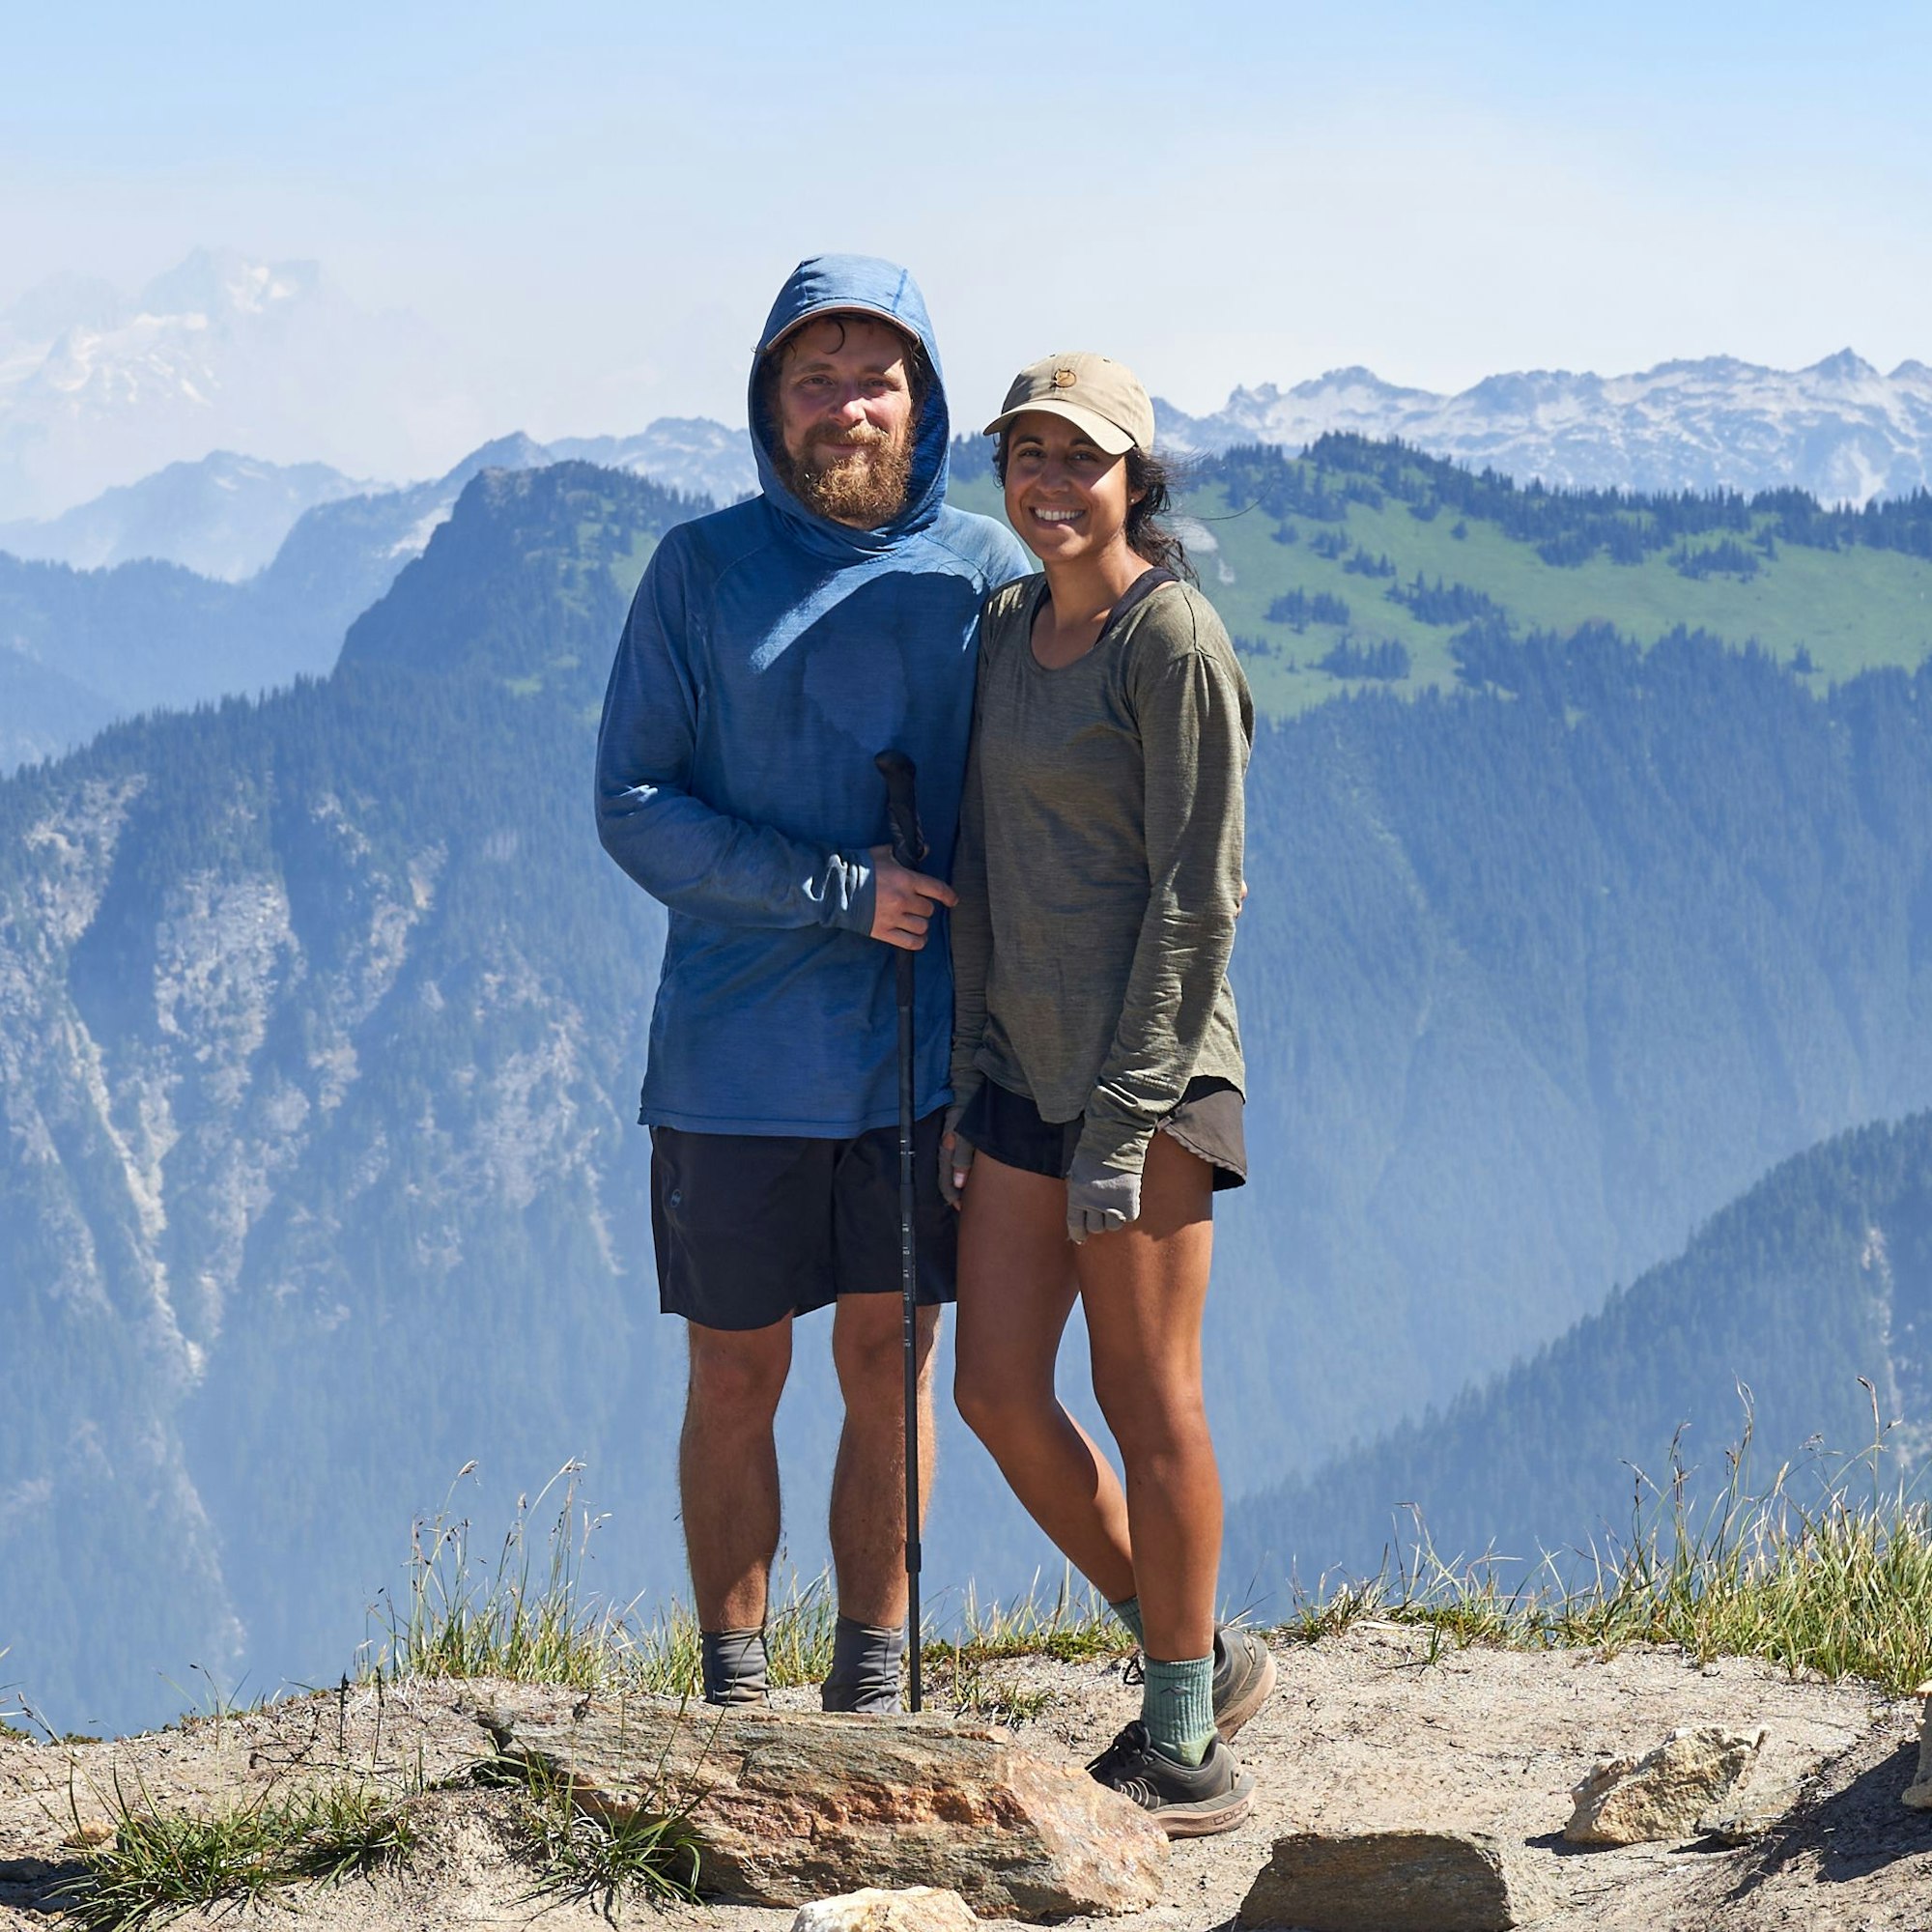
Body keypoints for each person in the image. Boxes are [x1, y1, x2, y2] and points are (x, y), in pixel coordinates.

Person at [595, 257, 1029, 1713]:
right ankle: (734, 1689)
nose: (849, 408)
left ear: (925, 402)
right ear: (771, 404)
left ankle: (873, 1677)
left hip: (921, 1057)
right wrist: (842, 891)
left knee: (889, 1361)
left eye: (876, 378)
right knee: (735, 1373)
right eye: (817, 378)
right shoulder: (699, 572)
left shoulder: (984, 581)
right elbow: (633, 801)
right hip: (731, 1065)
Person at [946, 353, 1269, 1833]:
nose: (1050, 484)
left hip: (1148, 1084)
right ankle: (1186, 1630)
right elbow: (988, 870)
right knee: (998, 1391)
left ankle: (1186, 1739)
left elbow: (1201, 902)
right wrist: (971, 1080)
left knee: (1149, 1397)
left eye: (1081, 459)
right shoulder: (1007, 629)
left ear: (1138, 477)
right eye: (1026, 456)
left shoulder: (1173, 641)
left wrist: (1128, 1114)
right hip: (1018, 1074)